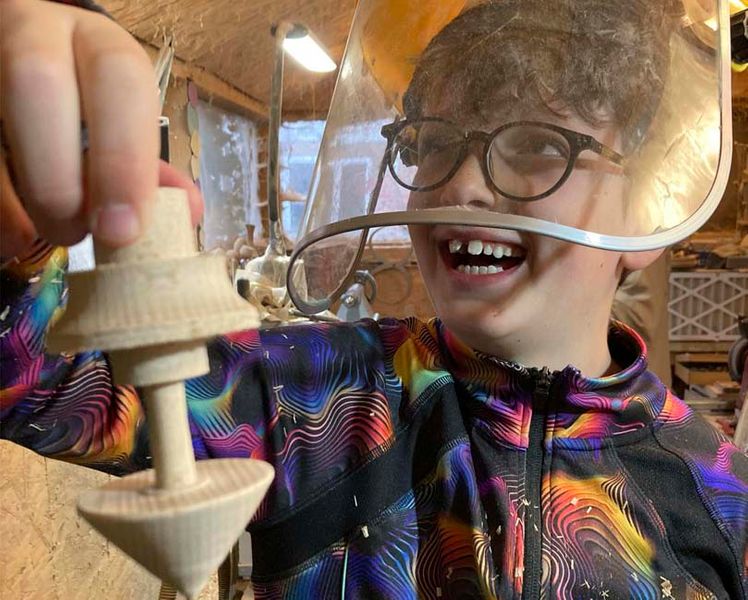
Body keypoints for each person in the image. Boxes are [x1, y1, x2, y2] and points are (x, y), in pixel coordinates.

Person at [1, 1, 746, 599]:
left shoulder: (719, 496)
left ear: (649, 209)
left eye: (537, 144)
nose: (461, 186)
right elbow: (41, 380)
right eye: (432, 142)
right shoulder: (319, 398)